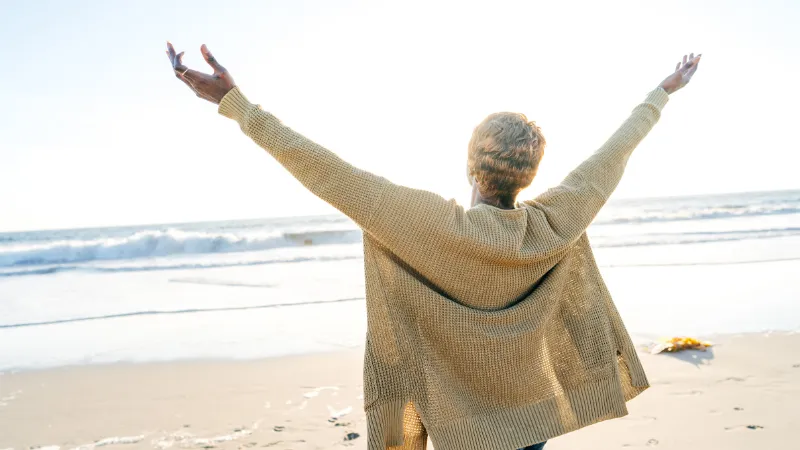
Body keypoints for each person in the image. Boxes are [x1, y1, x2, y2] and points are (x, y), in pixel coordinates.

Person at [165, 42, 701, 450]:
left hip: (461, 424)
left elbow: (324, 170)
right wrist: (661, 93)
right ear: (532, 174)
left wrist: (236, 104)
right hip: (532, 415)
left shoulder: (429, 225)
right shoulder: (556, 221)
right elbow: (613, 155)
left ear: (471, 163)